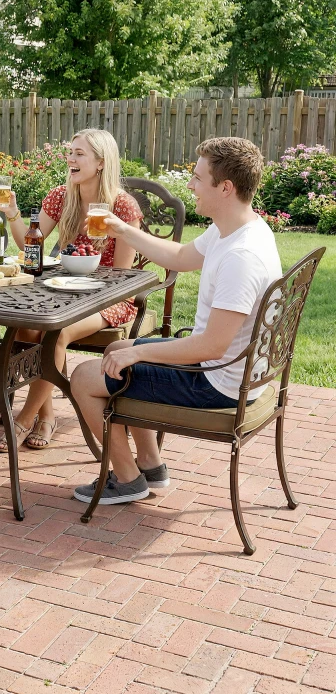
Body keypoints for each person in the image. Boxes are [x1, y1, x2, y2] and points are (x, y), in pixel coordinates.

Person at [70, 136, 281, 505]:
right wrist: (123, 230)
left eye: (198, 178)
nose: (190, 185)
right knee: (119, 347)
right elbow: (181, 256)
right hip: (231, 367)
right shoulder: (235, 227)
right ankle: (150, 465)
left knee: (85, 377)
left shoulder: (242, 257)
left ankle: (127, 479)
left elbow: (212, 345)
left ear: (225, 188)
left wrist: (140, 356)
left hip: (218, 382)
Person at [0, 129, 142, 453]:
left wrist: (85, 283)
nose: (71, 159)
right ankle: (47, 415)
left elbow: (121, 275)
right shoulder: (62, 196)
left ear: (101, 162)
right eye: (71, 152)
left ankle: (23, 418)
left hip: (108, 298)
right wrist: (13, 215)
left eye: (79, 154)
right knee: (25, 326)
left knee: (56, 334)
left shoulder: (123, 206)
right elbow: (29, 247)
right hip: (62, 290)